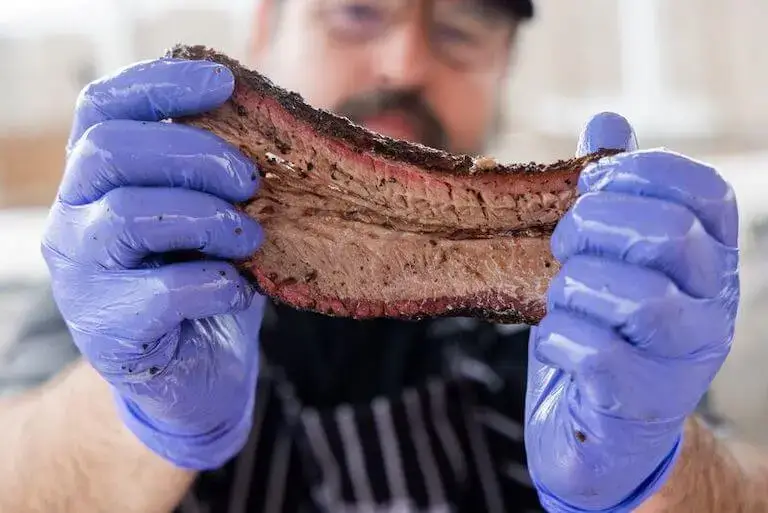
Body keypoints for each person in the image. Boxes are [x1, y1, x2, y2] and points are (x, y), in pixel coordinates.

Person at [0, 0, 765, 511]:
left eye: (462, 26)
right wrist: (136, 409)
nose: (405, 61)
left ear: (504, 65)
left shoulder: (589, 283)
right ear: (268, 26)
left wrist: (660, 466)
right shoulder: (141, 259)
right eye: (357, 10)